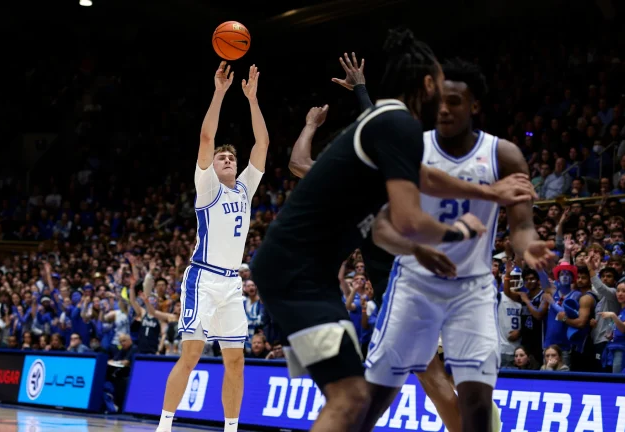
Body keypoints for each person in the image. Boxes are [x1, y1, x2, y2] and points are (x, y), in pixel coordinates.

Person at [251, 30, 493, 432]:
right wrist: (459, 231)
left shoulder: (390, 138)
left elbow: (389, 222)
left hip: (314, 276)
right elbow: (409, 214)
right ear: (429, 84)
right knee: (369, 392)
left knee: (361, 394)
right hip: (310, 274)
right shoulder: (394, 129)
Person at [361, 57, 553, 432]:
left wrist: (528, 247)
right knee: (378, 396)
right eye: (440, 102)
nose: (445, 110)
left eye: (455, 102)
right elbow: (381, 228)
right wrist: (415, 249)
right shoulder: (412, 149)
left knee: (478, 401)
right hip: (414, 285)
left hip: (473, 288)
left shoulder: (504, 154)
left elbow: (522, 226)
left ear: (475, 106)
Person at [156, 62, 270, 432]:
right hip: (202, 278)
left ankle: (232, 428)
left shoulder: (245, 187)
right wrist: (220, 92)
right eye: (223, 157)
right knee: (190, 355)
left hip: (231, 284)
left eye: (231, 157)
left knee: (235, 361)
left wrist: (252, 99)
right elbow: (207, 139)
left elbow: (262, 144)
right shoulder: (207, 188)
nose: (227, 158)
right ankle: (165, 425)